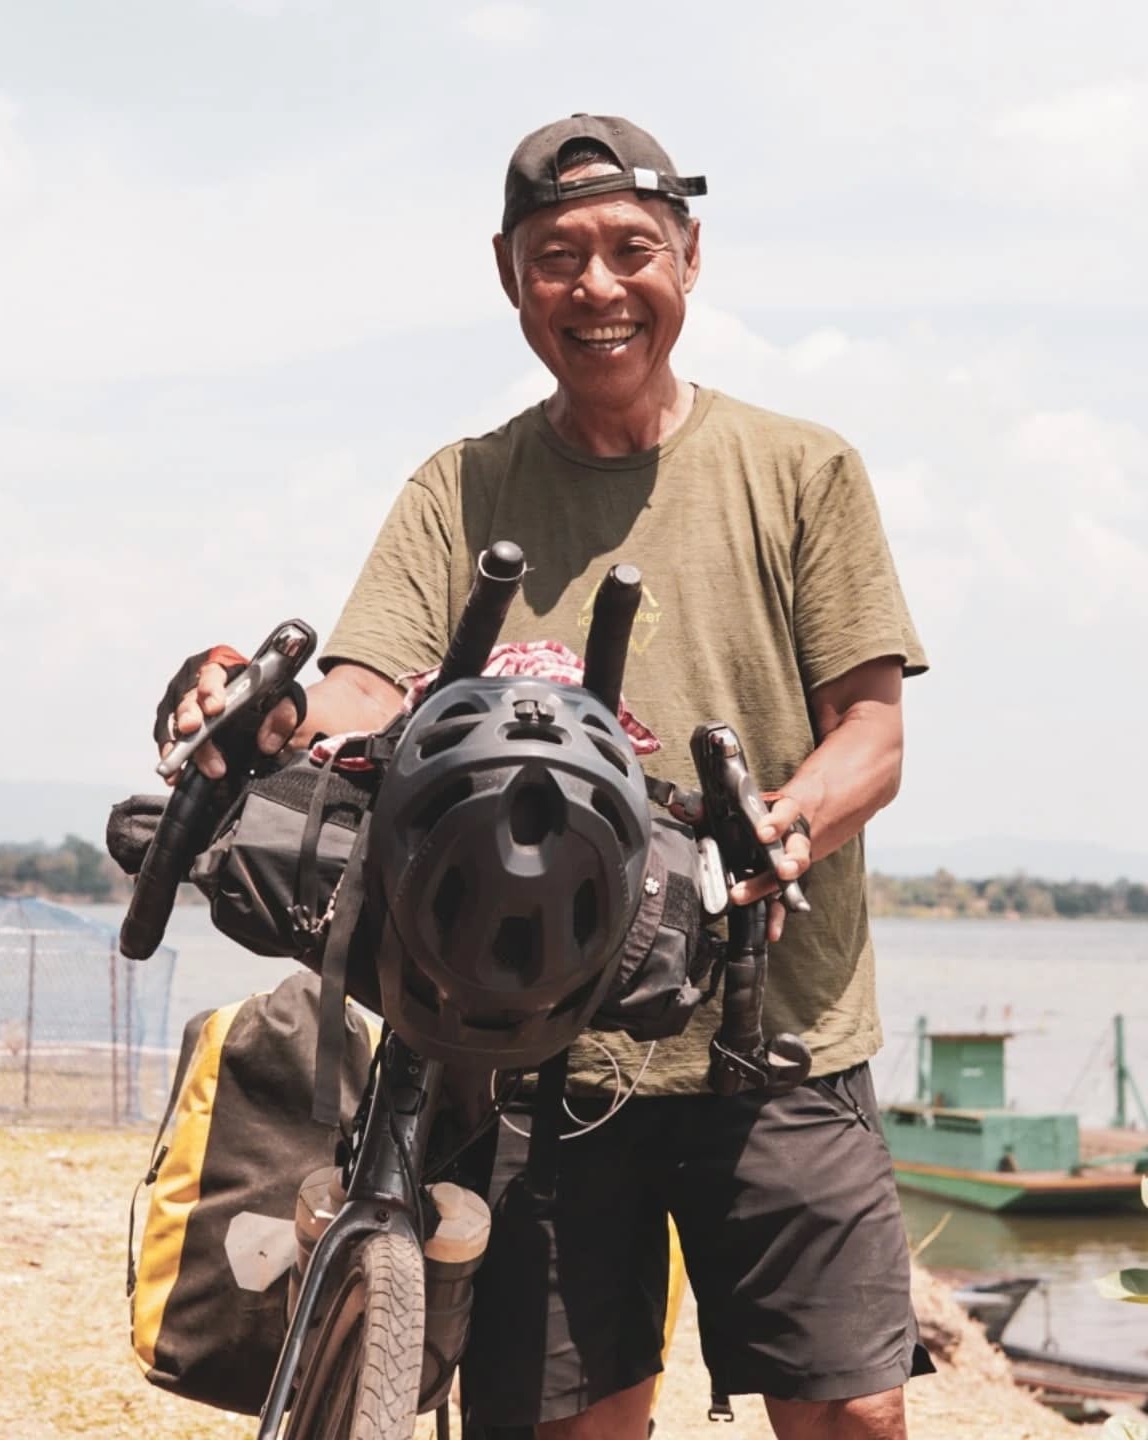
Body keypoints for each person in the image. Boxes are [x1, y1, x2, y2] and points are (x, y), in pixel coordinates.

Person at [165, 114, 931, 1439]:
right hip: (539, 1054)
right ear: (511, 277)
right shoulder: (461, 490)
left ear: (689, 259)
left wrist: (781, 829)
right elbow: (365, 689)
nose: (597, 285)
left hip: (778, 1032)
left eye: (632, 249)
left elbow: (872, 731)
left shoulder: (801, 469)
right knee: (584, 1422)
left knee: (853, 1417)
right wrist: (277, 721)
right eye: (556, 255)